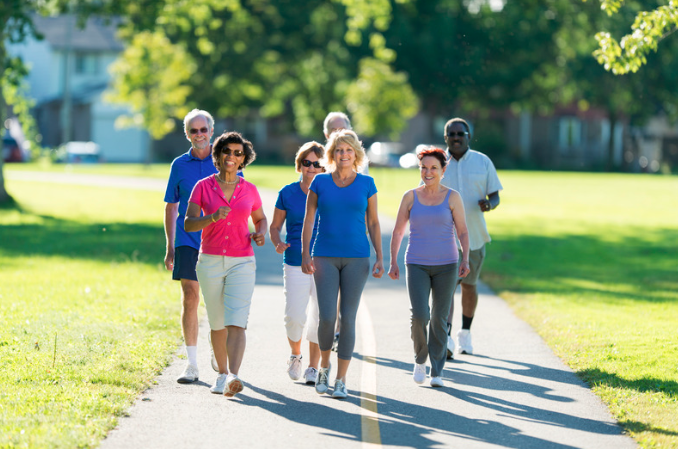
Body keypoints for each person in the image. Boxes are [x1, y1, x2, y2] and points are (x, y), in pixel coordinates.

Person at [301, 129, 384, 399]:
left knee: (347, 319)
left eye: (348, 150)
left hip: (357, 258)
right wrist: (305, 254)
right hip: (324, 255)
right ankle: (324, 366)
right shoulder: (320, 183)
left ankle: (341, 379)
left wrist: (381, 257)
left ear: (356, 154)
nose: (343, 154)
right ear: (332, 154)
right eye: (338, 150)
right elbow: (309, 220)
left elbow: (373, 222)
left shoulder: (367, 183)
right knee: (327, 318)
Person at [184, 131, 267, 397]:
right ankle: (220, 374)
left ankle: (233, 375)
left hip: (242, 260)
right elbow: (188, 223)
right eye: (227, 151)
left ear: (244, 160)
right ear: (218, 155)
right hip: (209, 261)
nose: (231, 156)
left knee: (237, 321)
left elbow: (261, 218)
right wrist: (211, 218)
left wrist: (260, 233)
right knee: (217, 322)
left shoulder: (250, 189)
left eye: (237, 153)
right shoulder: (203, 187)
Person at [389, 147, 470, 388]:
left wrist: (465, 259)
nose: (428, 172)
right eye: (423, 167)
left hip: (447, 264)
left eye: (434, 167)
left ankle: (437, 371)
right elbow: (398, 231)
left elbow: (463, 231)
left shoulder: (453, 197)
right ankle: (419, 359)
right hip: (416, 264)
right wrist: (393, 261)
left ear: (443, 170)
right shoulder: (410, 196)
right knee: (420, 315)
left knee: (439, 318)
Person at [164, 109, 218, 384]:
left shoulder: (225, 161)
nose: (199, 135)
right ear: (187, 134)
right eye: (193, 131)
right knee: (190, 296)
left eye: (203, 130)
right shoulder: (178, 165)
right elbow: (171, 206)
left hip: (217, 241)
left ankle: (217, 349)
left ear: (211, 131)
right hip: (187, 240)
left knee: (216, 300)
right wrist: (170, 246)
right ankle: (192, 363)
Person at [440, 118, 503, 357]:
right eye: (451, 134)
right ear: (445, 137)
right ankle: (445, 337)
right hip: (445, 239)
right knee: (447, 287)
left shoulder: (482, 161)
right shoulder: (437, 162)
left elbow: (495, 195)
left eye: (461, 134)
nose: (456, 137)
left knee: (469, 286)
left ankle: (464, 333)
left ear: (468, 136)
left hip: (475, 237)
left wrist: (490, 204)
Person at [269, 142, 325, 385]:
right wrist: (277, 242)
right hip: (294, 261)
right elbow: (274, 226)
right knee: (294, 315)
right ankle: (295, 354)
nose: (311, 168)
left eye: (317, 164)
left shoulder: (330, 191)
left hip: (325, 261)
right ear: (299, 165)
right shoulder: (287, 193)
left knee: (320, 316)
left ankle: (313, 367)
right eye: (307, 163)